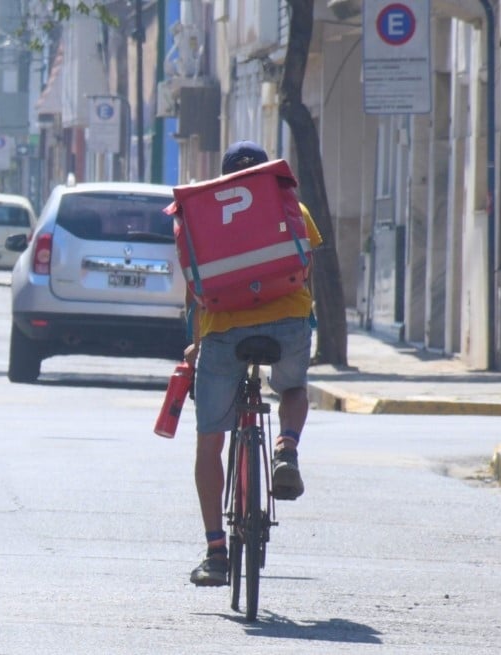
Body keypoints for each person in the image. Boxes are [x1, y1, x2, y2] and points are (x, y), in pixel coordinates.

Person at [186, 140, 323, 587]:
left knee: (210, 441)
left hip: (223, 332)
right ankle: (286, 446)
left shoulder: (203, 217)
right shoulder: (293, 209)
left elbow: (194, 288)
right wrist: (306, 320)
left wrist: (194, 345)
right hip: (287, 322)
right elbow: (307, 270)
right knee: (293, 387)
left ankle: (215, 553)